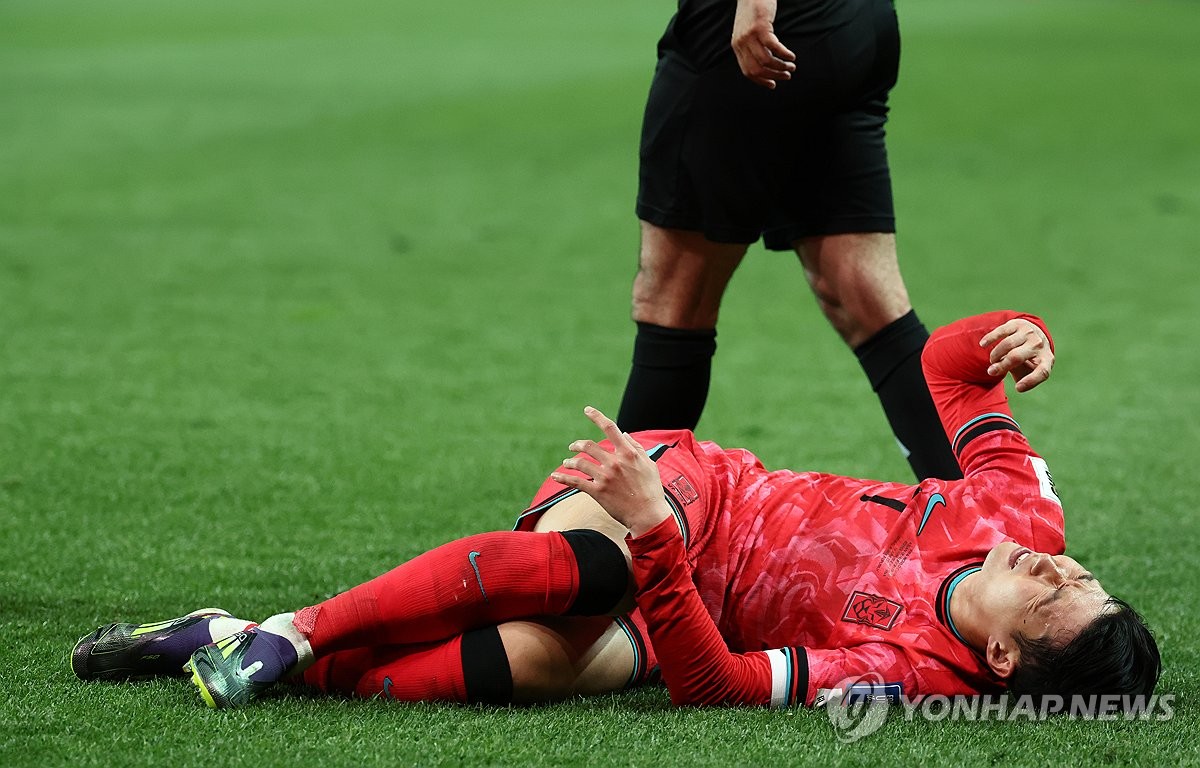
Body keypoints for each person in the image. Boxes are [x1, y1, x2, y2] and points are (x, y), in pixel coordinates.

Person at [71, 311, 1160, 711]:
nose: (1060, 567)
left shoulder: (914, 672)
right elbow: (948, 370)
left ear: (1008, 662)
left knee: (543, 665)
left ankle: (224, 637)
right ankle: (299, 627)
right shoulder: (1021, 511)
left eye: (1056, 594)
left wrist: (654, 556)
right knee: (590, 580)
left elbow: (714, 682)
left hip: (667, 589)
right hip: (690, 484)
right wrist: (1017, 333)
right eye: (1079, 573)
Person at [619, 0, 962, 482]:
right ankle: (986, 521)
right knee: (864, 296)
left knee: (673, 302)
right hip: (855, 25)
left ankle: (604, 535)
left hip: (760, 32)